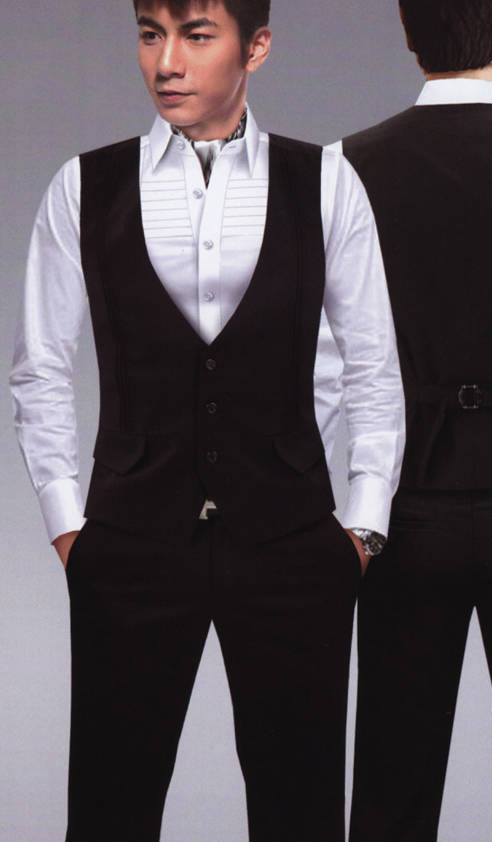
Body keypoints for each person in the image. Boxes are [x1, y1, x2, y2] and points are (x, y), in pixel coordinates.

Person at [9, 1, 405, 839]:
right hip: (130, 545)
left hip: (291, 547)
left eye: (195, 35)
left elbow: (372, 365)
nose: (166, 62)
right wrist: (70, 528)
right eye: (149, 34)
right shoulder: (83, 186)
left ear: (255, 47)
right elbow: (40, 368)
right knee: (110, 814)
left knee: (300, 816)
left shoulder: (325, 181)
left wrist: (362, 528)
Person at [333, 1, 492, 840]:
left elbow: (324, 373)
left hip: (405, 513)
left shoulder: (343, 170)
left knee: (391, 791)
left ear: (406, 31)